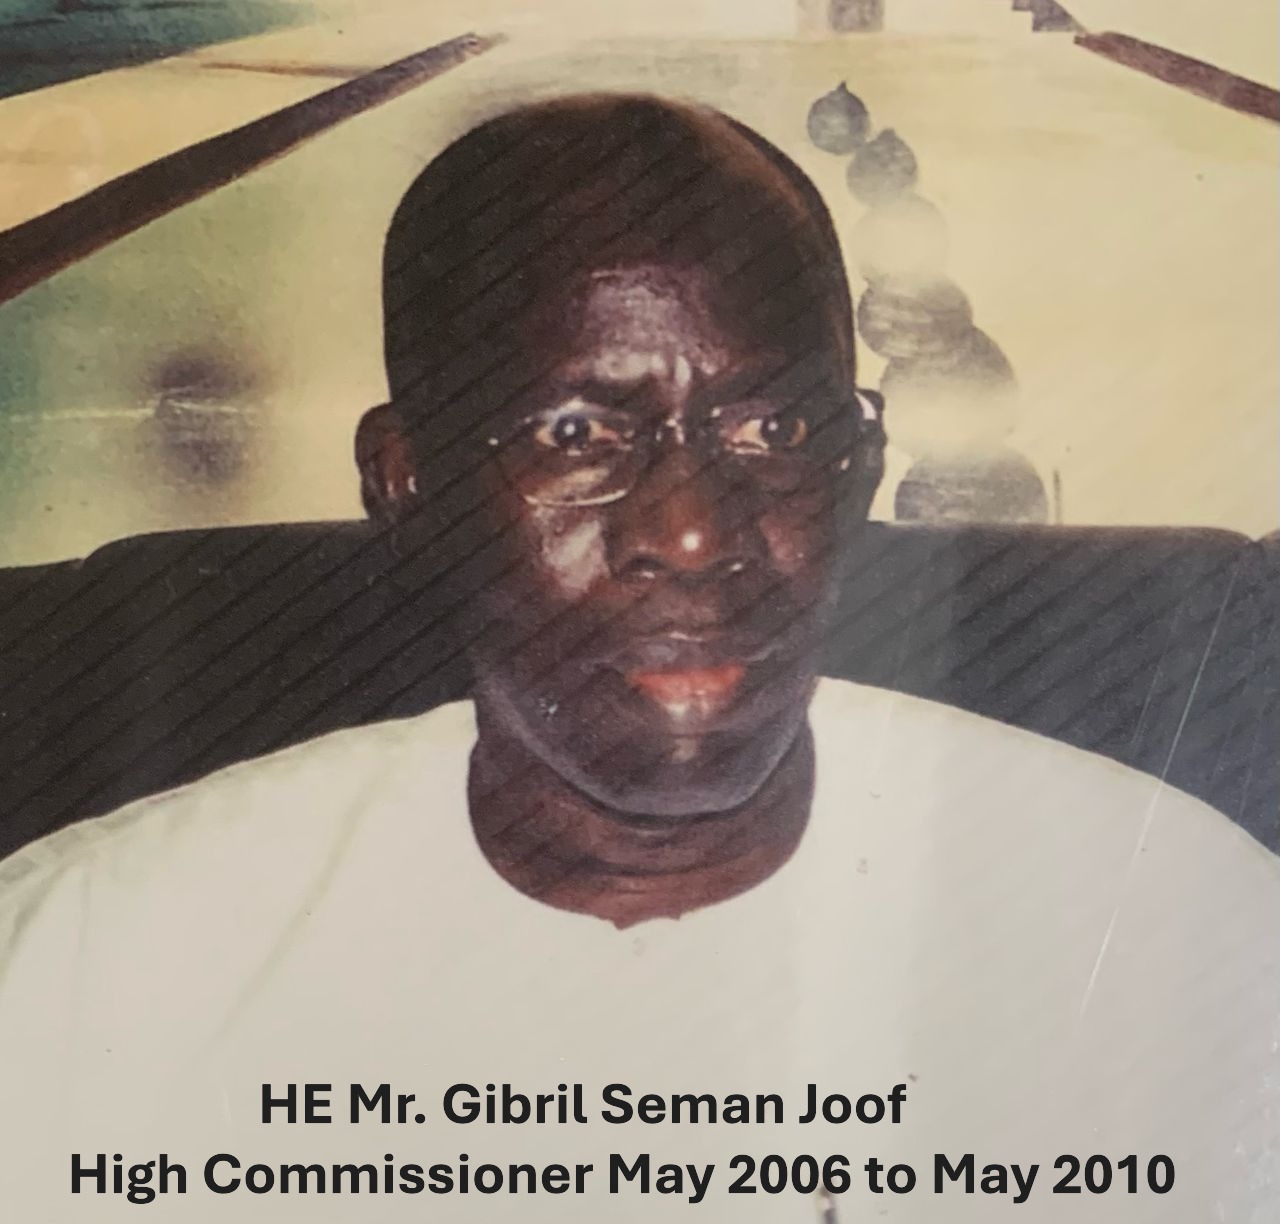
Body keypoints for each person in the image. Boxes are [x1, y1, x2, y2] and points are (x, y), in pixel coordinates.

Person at [0, 95, 1276, 1223]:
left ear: (862, 464)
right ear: (405, 483)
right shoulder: (84, 970)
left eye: (775, 430)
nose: (693, 532)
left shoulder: (1180, 933)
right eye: (576, 435)